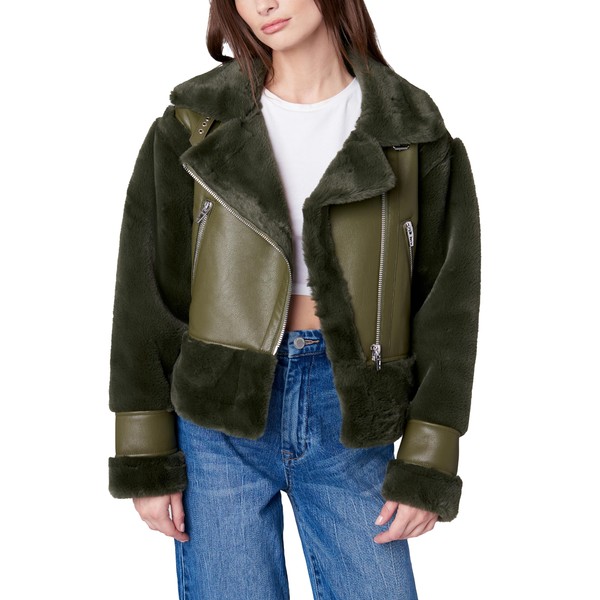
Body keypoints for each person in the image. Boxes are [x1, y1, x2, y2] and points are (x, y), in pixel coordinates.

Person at [107, 0, 480, 598]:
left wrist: (429, 453)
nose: (263, 5)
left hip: (352, 413)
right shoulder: (196, 123)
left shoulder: (410, 132)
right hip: (218, 418)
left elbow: (448, 304)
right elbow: (146, 291)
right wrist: (145, 450)